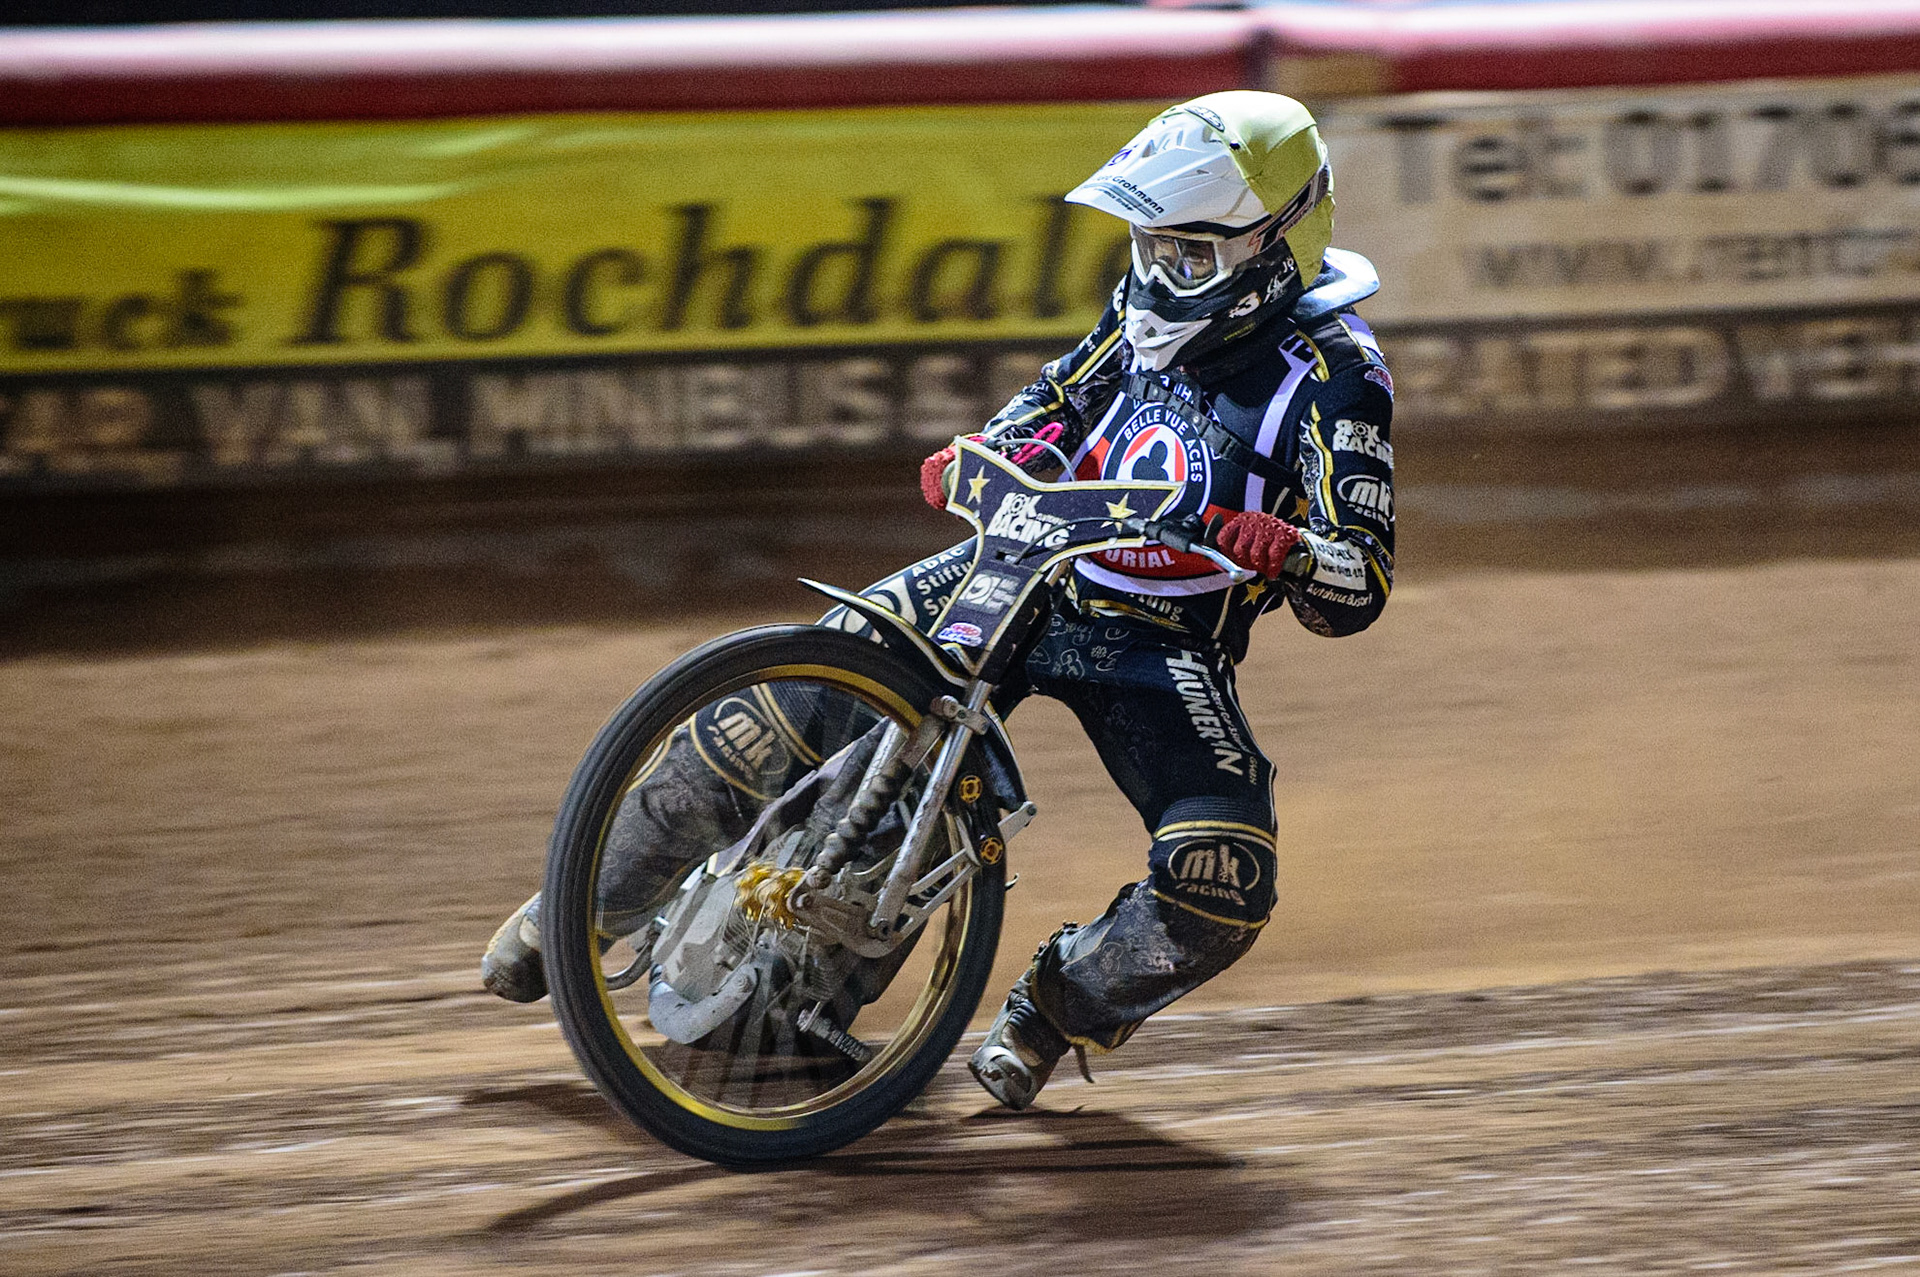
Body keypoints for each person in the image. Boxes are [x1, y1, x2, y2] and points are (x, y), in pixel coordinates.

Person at [481, 89, 1395, 1113]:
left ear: (1274, 246)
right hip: (1026, 568)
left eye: (1187, 253)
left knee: (1222, 876)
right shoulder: (1141, 308)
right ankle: (581, 903)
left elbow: (1362, 577)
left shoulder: (1337, 378)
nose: (1155, 274)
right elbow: (1060, 394)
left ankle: (1054, 1009)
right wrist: (996, 447)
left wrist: (1296, 549)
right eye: (1148, 245)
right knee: (797, 686)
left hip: (1156, 638)